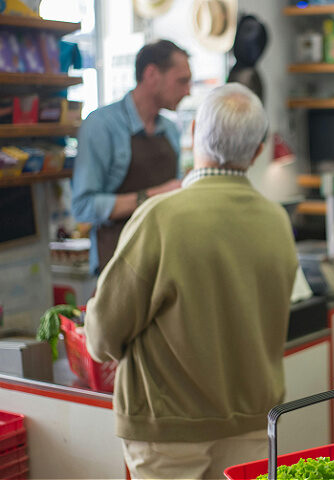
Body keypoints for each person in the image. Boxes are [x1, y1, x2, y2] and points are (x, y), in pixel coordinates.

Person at [84, 83, 299, 479]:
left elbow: (100, 337)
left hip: (167, 430)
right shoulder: (276, 221)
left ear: (195, 129)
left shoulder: (160, 218)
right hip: (253, 422)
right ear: (255, 151)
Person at [71, 39, 191, 275]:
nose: (188, 91)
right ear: (151, 74)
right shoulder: (101, 126)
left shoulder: (170, 129)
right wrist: (153, 195)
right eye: (182, 81)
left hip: (165, 261)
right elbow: (83, 207)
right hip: (118, 264)